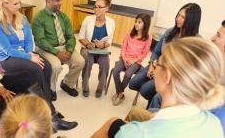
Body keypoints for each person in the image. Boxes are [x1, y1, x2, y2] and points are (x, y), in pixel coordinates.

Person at [91, 37, 225, 138]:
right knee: (115, 121)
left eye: (157, 63)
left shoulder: (132, 134)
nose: (154, 66)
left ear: (167, 76)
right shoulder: (214, 123)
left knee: (112, 123)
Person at [0, 0, 77, 130]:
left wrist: (30, 53)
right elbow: (7, 50)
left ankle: (47, 106)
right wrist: (29, 58)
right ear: (4, 3)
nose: (19, 6)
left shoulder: (21, 18)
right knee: (35, 69)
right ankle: (52, 117)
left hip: (24, 54)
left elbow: (29, 40)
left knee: (46, 66)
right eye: (15, 3)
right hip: (5, 59)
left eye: (19, 2)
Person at [128, 3, 202, 105]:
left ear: (192, 20)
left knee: (144, 90)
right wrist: (151, 66)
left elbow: (190, 68)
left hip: (170, 76)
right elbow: (156, 51)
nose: (178, 19)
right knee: (132, 84)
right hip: (156, 66)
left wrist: (162, 71)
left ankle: (156, 101)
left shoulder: (196, 41)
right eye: (178, 15)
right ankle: (156, 99)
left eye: (183, 17)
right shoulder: (169, 32)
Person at [32, 0, 85, 98]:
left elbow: (71, 36)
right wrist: (56, 52)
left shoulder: (63, 17)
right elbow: (40, 40)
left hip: (64, 47)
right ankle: (51, 89)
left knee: (80, 61)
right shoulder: (38, 17)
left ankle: (67, 84)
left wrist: (69, 51)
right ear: (48, 1)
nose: (60, 3)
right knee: (55, 66)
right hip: (46, 49)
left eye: (61, 0)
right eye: (57, 0)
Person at [78, 0, 115, 98]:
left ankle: (100, 87)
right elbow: (81, 37)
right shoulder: (88, 19)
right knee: (88, 60)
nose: (96, 9)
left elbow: (109, 41)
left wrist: (103, 45)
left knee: (105, 62)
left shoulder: (111, 22)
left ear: (106, 8)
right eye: (95, 6)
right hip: (87, 49)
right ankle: (85, 86)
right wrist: (88, 44)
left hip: (101, 50)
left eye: (100, 7)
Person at [111, 13, 152, 105]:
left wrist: (133, 61)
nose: (136, 24)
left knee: (128, 74)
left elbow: (144, 53)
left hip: (136, 62)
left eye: (139, 22)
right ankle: (120, 93)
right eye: (136, 21)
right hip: (124, 58)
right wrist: (124, 58)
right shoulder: (129, 34)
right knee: (115, 72)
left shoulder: (148, 38)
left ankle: (119, 93)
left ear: (145, 24)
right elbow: (123, 47)